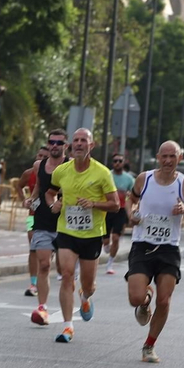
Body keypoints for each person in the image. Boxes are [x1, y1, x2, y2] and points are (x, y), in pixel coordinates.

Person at [124, 141, 184, 363]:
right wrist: (131, 213)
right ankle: (145, 299)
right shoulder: (145, 179)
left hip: (169, 248)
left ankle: (149, 346)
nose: (168, 161)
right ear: (158, 157)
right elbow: (130, 198)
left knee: (165, 300)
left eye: (173, 156)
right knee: (135, 297)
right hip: (142, 244)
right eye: (165, 156)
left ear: (180, 158)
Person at [43, 127, 120, 344]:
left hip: (92, 234)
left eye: (83, 141)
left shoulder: (102, 173)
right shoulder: (62, 171)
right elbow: (49, 193)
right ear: (70, 145)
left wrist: (94, 204)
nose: (78, 144)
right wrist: (53, 205)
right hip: (67, 231)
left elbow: (115, 204)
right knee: (67, 275)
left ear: (91, 145)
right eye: (75, 140)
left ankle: (85, 297)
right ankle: (68, 326)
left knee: (88, 284)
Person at [28, 130, 68, 325]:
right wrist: (30, 202)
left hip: (66, 224)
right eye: (51, 142)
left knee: (64, 270)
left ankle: (81, 294)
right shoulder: (38, 166)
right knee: (44, 264)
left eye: (59, 143)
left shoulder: (71, 166)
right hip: (42, 221)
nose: (54, 145)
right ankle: (42, 307)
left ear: (65, 146)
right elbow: (37, 189)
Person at [104, 152, 135, 275]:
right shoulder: (107, 175)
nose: (117, 163)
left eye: (120, 161)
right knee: (106, 241)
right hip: (106, 209)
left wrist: (129, 199)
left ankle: (110, 263)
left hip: (120, 210)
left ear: (123, 163)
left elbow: (134, 195)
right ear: (112, 163)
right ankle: (106, 244)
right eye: (115, 161)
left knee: (116, 238)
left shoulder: (129, 179)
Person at [21, 148, 45, 297]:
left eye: (44, 157)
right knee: (33, 247)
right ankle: (33, 283)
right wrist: (23, 200)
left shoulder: (53, 173)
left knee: (46, 252)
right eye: (39, 155)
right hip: (32, 215)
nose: (40, 158)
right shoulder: (28, 173)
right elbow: (19, 185)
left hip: (49, 217)